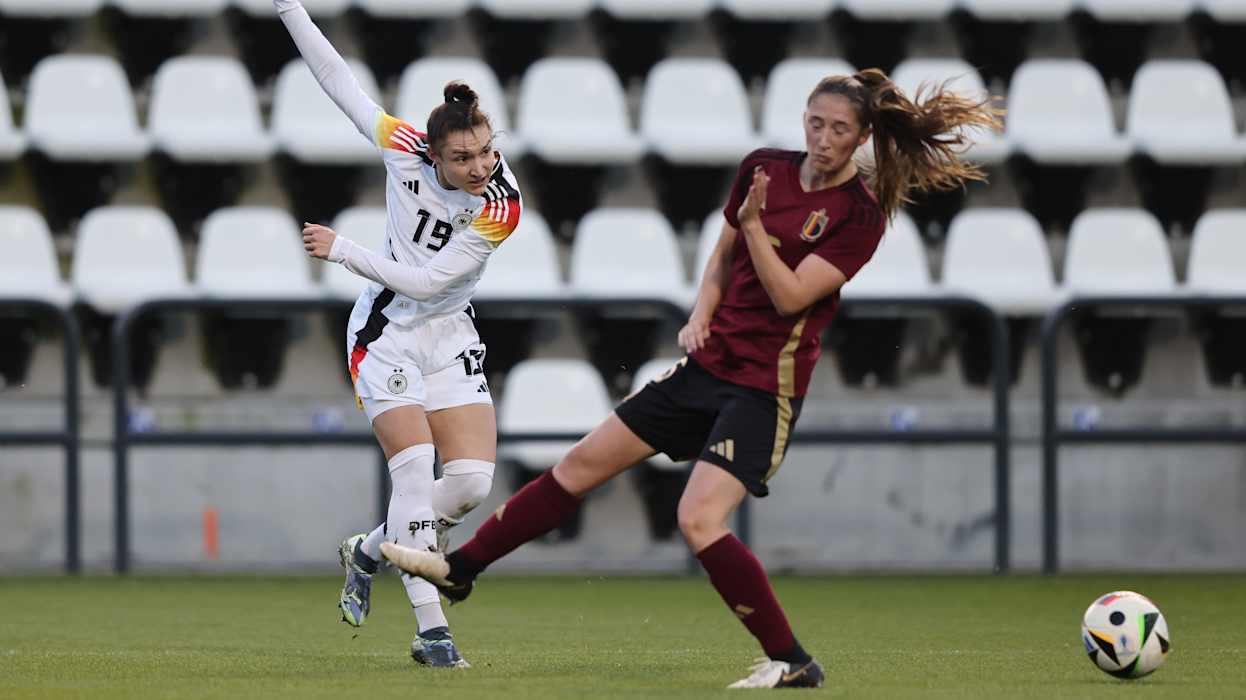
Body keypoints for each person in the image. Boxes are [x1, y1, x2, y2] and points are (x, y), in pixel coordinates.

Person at [381, 67, 1000, 687]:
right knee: (579, 465)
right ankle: (462, 570)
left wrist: (754, 227)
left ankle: (793, 661)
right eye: (815, 122)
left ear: (863, 137)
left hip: (765, 389)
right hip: (706, 368)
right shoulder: (765, 167)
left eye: (839, 129)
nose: (823, 137)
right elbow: (723, 255)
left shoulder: (860, 215)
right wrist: (702, 312)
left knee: (698, 519)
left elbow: (789, 296)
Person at [274, 0, 522, 668]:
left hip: (447, 331)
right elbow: (337, 79)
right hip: (385, 334)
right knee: (413, 475)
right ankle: (433, 634)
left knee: (468, 484)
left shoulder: (502, 205)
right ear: (433, 155)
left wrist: (344, 250)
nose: (480, 166)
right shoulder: (403, 148)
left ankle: (368, 549)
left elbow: (430, 282)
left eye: (487, 151)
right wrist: (288, 7)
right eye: (463, 158)